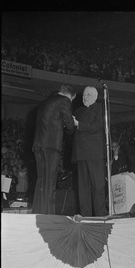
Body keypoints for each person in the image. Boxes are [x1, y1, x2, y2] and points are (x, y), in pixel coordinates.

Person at [32, 84, 78, 214]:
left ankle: (37, 211)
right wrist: (72, 123)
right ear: (70, 95)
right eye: (72, 99)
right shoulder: (64, 100)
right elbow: (69, 126)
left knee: (41, 180)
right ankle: (48, 214)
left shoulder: (45, 102)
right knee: (50, 180)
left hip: (38, 145)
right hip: (51, 146)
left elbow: (51, 120)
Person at [71, 86, 106, 217]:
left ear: (95, 97)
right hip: (80, 153)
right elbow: (72, 129)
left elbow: (97, 126)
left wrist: (78, 124)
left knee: (98, 186)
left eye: (88, 95)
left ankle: (100, 216)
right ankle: (85, 217)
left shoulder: (99, 108)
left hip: (94, 153)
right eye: (84, 95)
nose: (85, 97)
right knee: (83, 189)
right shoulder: (78, 111)